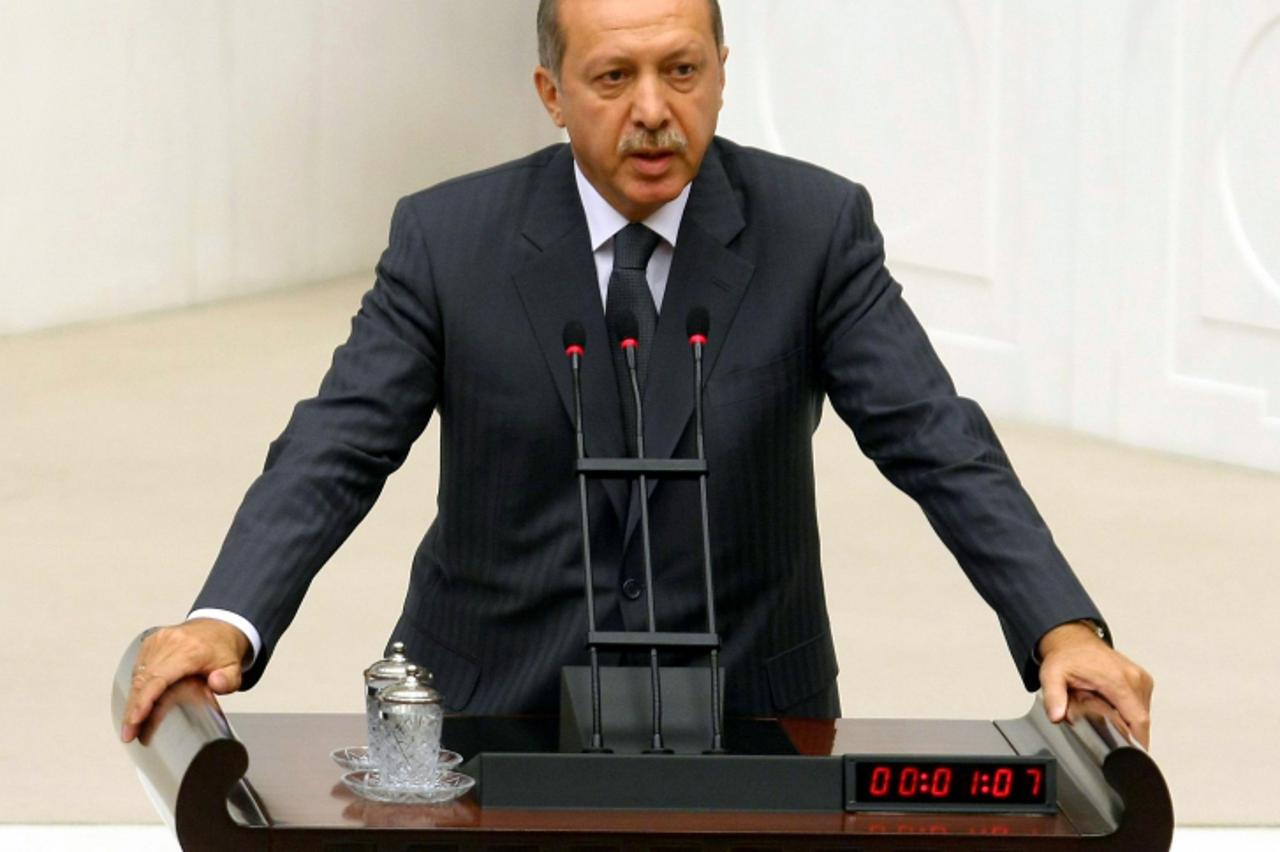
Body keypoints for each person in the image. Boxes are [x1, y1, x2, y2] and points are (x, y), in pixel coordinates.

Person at [123, 0, 1153, 746]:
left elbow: (936, 438)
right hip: (488, 708)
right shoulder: (449, 239)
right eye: (613, 78)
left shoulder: (812, 230)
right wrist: (228, 615)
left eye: (682, 70)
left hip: (751, 712)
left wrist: (1059, 626)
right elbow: (338, 440)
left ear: (721, 70)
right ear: (551, 93)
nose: (653, 110)